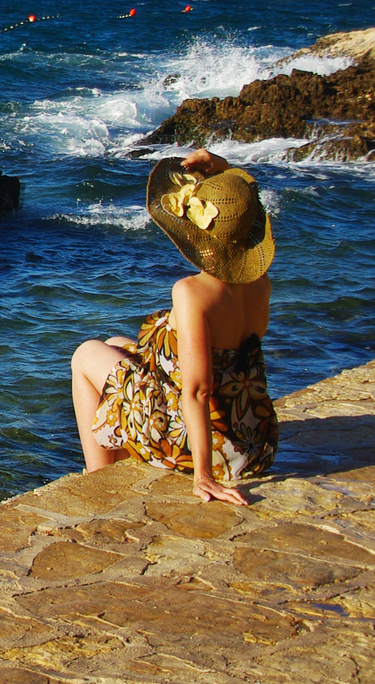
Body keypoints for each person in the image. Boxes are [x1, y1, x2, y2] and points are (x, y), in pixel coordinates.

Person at [70, 148, 277, 505]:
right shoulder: (260, 284)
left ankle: (99, 478)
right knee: (115, 342)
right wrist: (225, 170)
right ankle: (115, 462)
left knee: (86, 354)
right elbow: (246, 202)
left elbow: (197, 390)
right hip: (253, 437)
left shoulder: (192, 292)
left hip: (209, 446)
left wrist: (203, 476)